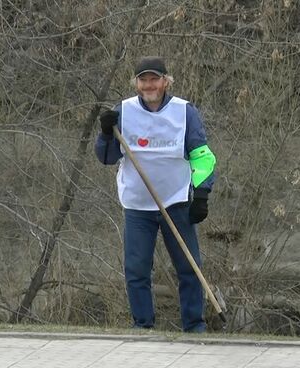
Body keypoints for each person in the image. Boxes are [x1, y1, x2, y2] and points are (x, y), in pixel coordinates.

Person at [95, 56, 216, 333]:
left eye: (154, 79)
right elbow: (106, 157)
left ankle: (194, 327)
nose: (149, 85)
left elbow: (202, 156)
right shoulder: (123, 112)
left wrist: (201, 194)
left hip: (176, 201)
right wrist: (105, 133)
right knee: (137, 271)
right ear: (136, 84)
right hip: (138, 206)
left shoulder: (184, 112)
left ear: (165, 81)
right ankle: (143, 327)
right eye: (143, 80)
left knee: (189, 268)